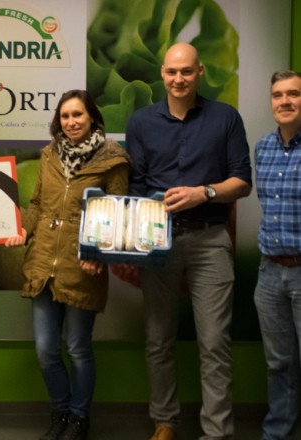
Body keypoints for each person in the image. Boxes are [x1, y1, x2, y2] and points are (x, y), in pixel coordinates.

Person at [125, 42, 252, 440]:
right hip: (156, 241)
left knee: (214, 343)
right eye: (171, 72)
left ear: (199, 72)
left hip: (210, 239)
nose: (178, 79)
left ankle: (217, 432)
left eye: (186, 71)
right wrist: (139, 227)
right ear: (162, 74)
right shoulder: (141, 122)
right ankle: (165, 421)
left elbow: (242, 182)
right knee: (158, 340)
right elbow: (136, 185)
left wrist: (204, 193)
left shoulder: (225, 118)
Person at [5, 89, 131, 440]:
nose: (71, 122)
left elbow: (117, 214)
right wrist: (24, 230)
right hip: (43, 263)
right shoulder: (49, 154)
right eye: (65, 116)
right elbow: (36, 204)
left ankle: (79, 418)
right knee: (46, 350)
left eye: (78, 115)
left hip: (82, 266)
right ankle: (60, 413)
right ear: (58, 121)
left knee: (77, 349)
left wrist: (100, 254)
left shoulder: (113, 159)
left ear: (92, 117)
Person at [253, 70, 301, 440]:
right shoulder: (263, 149)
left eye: (294, 94)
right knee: (279, 362)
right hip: (269, 272)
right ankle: (278, 432)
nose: (284, 101)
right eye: (278, 95)